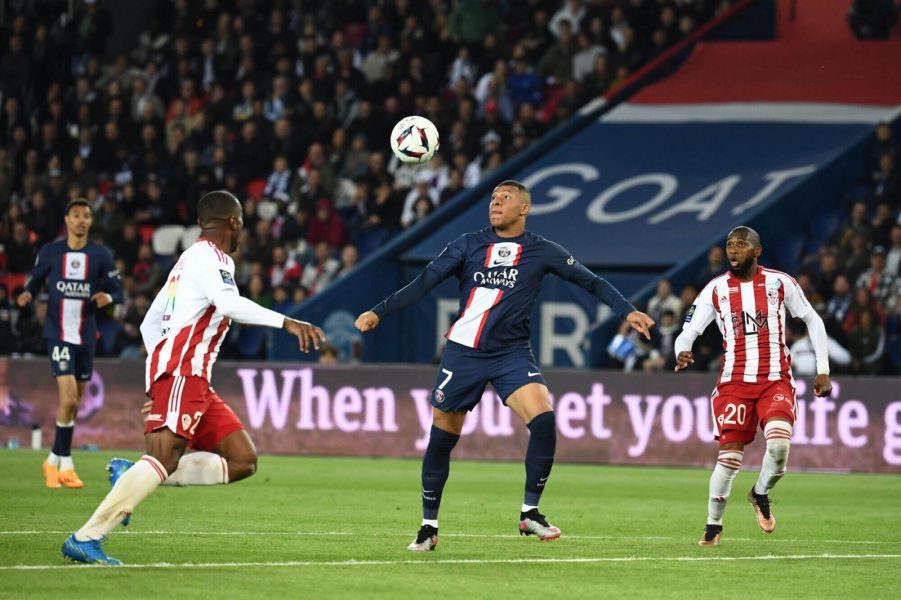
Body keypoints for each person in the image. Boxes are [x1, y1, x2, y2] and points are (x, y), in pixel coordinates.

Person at [354, 180, 654, 551]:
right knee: (443, 438)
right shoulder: (467, 244)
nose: (495, 203)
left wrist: (628, 310)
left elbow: (590, 281)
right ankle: (428, 526)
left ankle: (530, 512)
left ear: (524, 209)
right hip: (464, 352)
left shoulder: (541, 250)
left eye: (505, 198)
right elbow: (424, 282)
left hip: (511, 353)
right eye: (493, 199)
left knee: (544, 419)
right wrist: (379, 311)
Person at [61, 191, 326, 565]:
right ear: (232, 222)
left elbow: (148, 324)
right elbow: (229, 304)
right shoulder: (211, 259)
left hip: (192, 378)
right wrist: (285, 320)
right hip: (184, 374)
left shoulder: (187, 261)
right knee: (164, 457)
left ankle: (132, 475)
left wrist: (158, 376)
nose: (242, 230)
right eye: (242, 222)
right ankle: (87, 536)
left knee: (242, 460)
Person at [674, 226, 833, 546]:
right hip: (733, 383)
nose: (734, 250)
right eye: (730, 245)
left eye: (742, 245)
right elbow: (688, 330)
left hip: (775, 379)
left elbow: (813, 319)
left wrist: (823, 369)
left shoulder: (779, 282)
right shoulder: (716, 289)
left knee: (778, 447)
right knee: (730, 459)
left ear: (757, 251)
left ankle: (760, 493)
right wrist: (682, 349)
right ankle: (713, 525)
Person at [16, 198, 123, 489]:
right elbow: (35, 281)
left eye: (85, 216)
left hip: (85, 336)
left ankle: (52, 460)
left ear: (90, 222)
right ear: (66, 219)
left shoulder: (100, 255)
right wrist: (26, 294)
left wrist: (108, 298)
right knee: (70, 400)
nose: (80, 221)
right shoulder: (51, 252)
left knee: (72, 406)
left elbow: (118, 291)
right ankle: (67, 463)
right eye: (75, 215)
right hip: (58, 333)